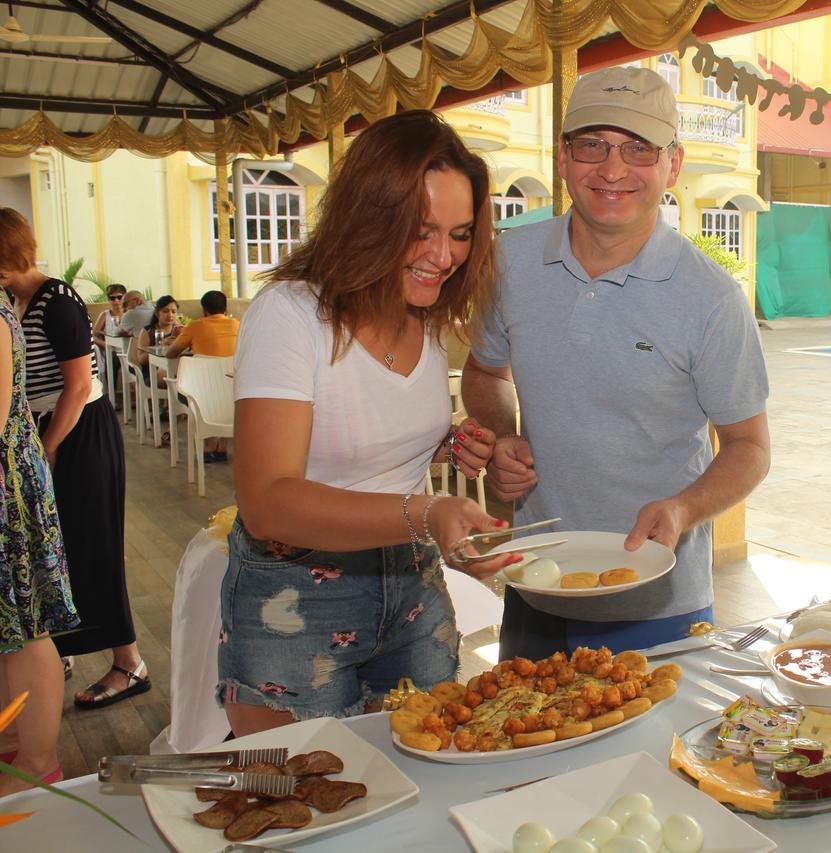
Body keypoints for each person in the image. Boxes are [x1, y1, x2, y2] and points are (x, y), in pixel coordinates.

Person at [225, 109, 519, 737]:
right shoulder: (290, 315)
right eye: (421, 231)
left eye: (461, 234)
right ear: (368, 216)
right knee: (301, 796)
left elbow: (370, 441)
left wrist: (448, 443)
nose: (443, 257)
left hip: (410, 586)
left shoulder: (428, 315)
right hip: (295, 594)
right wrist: (426, 513)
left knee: (425, 772)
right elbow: (267, 502)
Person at [462, 66, 771, 660]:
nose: (612, 169)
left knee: (656, 756)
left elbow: (750, 448)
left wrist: (684, 508)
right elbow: (484, 372)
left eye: (638, 149)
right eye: (592, 145)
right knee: (523, 743)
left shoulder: (711, 297)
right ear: (563, 157)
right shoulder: (508, 263)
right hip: (537, 584)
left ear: (672, 166)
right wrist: (503, 436)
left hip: (659, 599)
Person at [0, 208, 146, 711]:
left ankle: (130, 662)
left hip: (78, 428)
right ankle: (55, 650)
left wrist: (46, 449)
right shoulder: (16, 301)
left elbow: (79, 385)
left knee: (93, 546)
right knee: (54, 550)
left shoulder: (55, 298)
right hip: (50, 429)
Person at [0, 285, 79, 797]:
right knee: (9, 625)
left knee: (26, 626)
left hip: (7, 483)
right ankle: (12, 739)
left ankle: (37, 763)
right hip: (12, 472)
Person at [166, 289, 240, 462]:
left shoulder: (195, 326)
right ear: (226, 309)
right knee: (227, 393)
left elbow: (171, 353)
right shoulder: (236, 324)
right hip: (232, 391)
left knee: (192, 392)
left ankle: (208, 445)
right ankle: (221, 446)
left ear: (204, 310)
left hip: (201, 394)